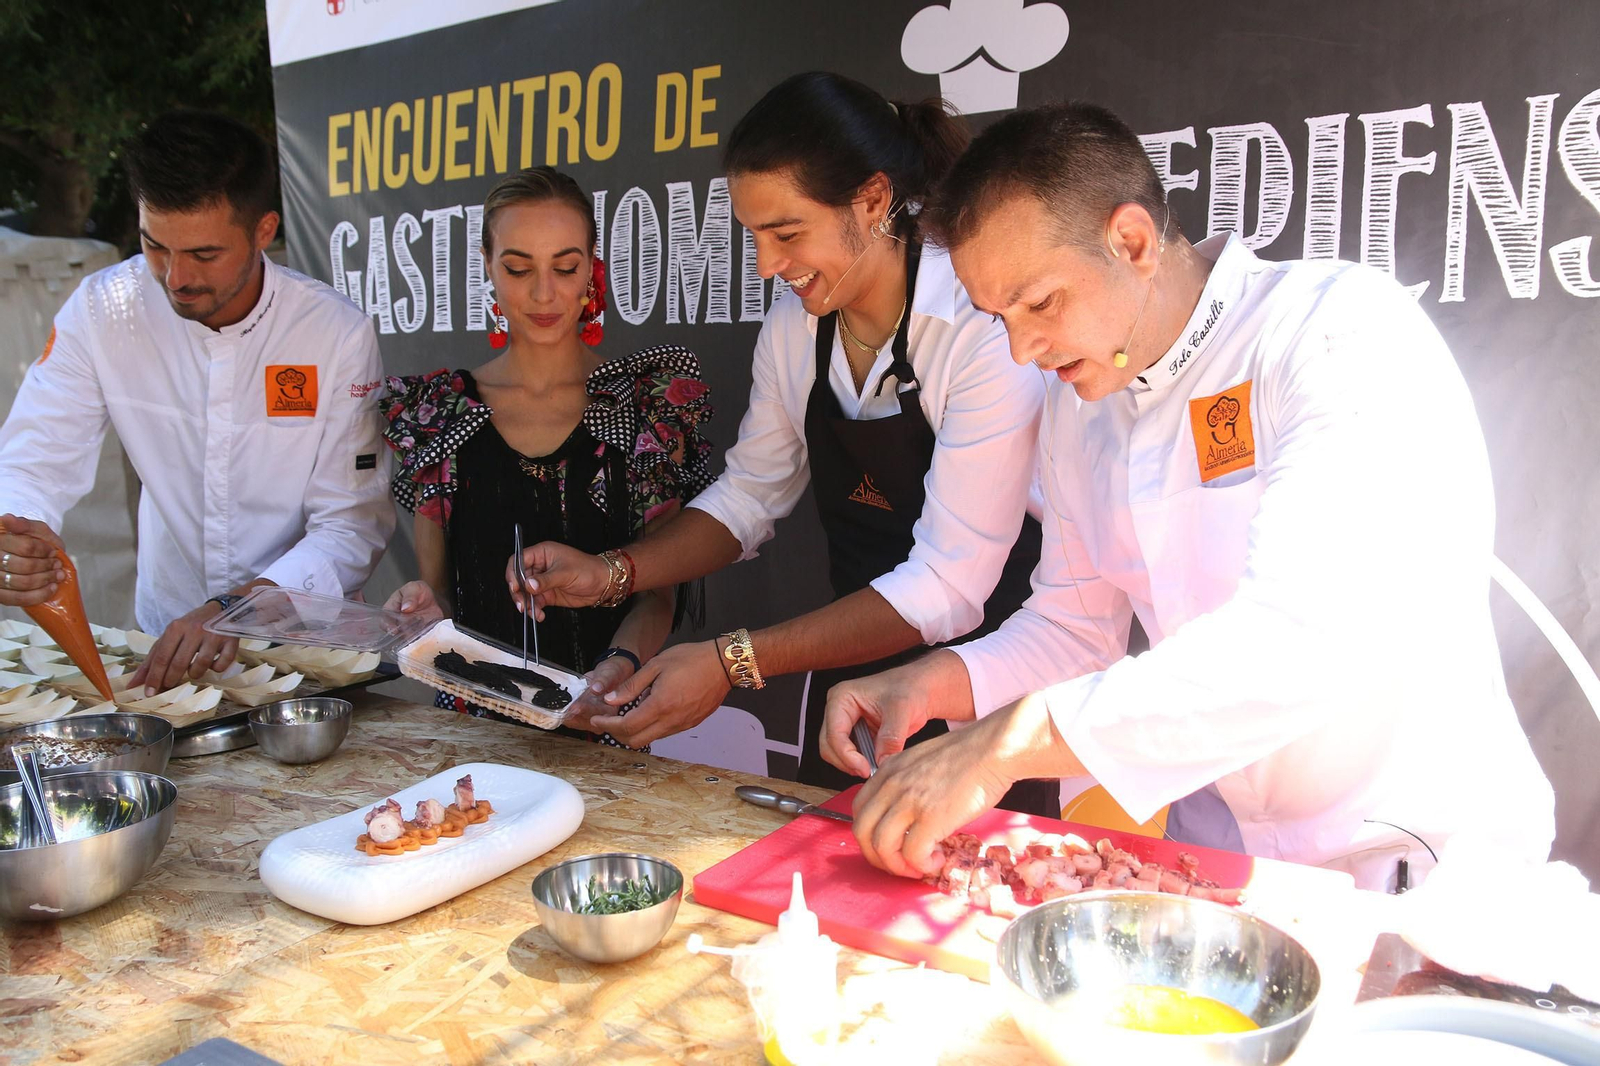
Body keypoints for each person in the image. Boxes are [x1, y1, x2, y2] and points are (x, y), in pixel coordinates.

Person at [824, 102, 1556, 891]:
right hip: (1226, 855)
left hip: (1412, 859)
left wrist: (1003, 745)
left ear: (1132, 241)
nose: (1022, 348)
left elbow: (1298, 643)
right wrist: (930, 683)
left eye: (1040, 303)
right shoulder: (1079, 407)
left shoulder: (1333, 331)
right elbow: (1073, 626)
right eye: (1001, 317)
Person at [512, 73, 1056, 814]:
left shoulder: (978, 325)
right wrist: (612, 573)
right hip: (850, 686)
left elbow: (948, 588)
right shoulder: (795, 330)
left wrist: (733, 662)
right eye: (755, 236)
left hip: (981, 694)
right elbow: (749, 496)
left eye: (788, 233)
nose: (768, 264)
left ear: (871, 200)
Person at [0, 110, 394, 694]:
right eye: (154, 246)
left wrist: (238, 608)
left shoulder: (334, 334)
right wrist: (20, 529)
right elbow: (36, 452)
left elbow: (351, 524)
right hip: (162, 644)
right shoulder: (103, 310)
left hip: (308, 656)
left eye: (204, 254)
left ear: (263, 231)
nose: (175, 277)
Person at [380, 166, 714, 746]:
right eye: (518, 268)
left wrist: (617, 666)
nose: (543, 294)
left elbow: (660, 589)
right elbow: (440, 595)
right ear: (487, 265)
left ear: (591, 268)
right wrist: (420, 606)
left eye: (564, 267)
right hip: (470, 739)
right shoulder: (442, 416)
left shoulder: (641, 407)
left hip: (606, 727)